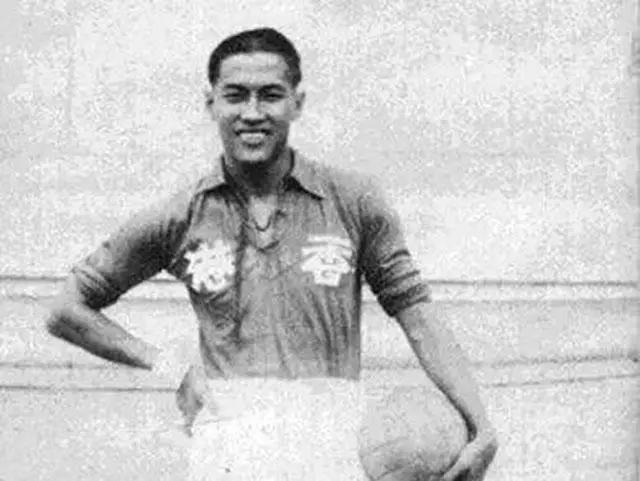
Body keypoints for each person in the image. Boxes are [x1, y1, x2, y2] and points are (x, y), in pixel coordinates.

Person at [46, 27, 498, 480]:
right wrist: (170, 368)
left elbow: (418, 317)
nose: (252, 113)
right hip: (230, 443)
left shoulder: (353, 200)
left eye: (270, 95)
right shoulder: (180, 215)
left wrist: (481, 426)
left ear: (297, 103)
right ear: (211, 103)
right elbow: (66, 309)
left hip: (333, 440)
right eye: (235, 96)